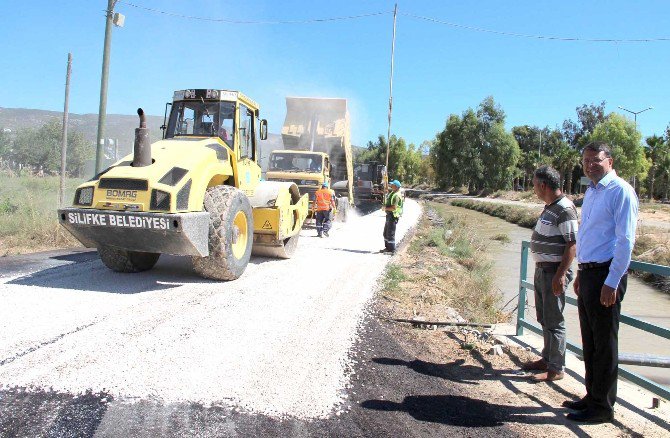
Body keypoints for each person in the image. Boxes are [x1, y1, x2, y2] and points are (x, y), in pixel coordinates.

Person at [564, 141, 638, 424]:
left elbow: (625, 241)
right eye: (586, 160)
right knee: (591, 342)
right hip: (590, 273)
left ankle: (603, 408)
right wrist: (581, 273)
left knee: (605, 344)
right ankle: (592, 396)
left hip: (608, 275)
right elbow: (589, 235)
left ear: (610, 160)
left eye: (596, 160)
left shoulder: (621, 191)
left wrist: (612, 282)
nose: (590, 164)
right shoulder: (593, 192)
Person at [522, 166, 578, 382]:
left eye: (534, 184)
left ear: (543, 185)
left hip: (554, 272)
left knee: (554, 320)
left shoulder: (564, 209)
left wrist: (560, 275)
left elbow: (572, 244)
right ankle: (546, 358)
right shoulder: (550, 207)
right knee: (544, 317)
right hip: (543, 270)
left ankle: (556, 368)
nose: (534, 188)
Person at [381, 180, 403, 254]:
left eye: (392, 185)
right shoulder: (393, 193)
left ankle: (392, 250)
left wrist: (385, 208)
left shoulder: (396, 195)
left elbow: (394, 208)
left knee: (390, 233)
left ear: (396, 186)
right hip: (389, 215)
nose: (391, 186)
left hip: (393, 216)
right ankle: (387, 248)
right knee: (386, 233)